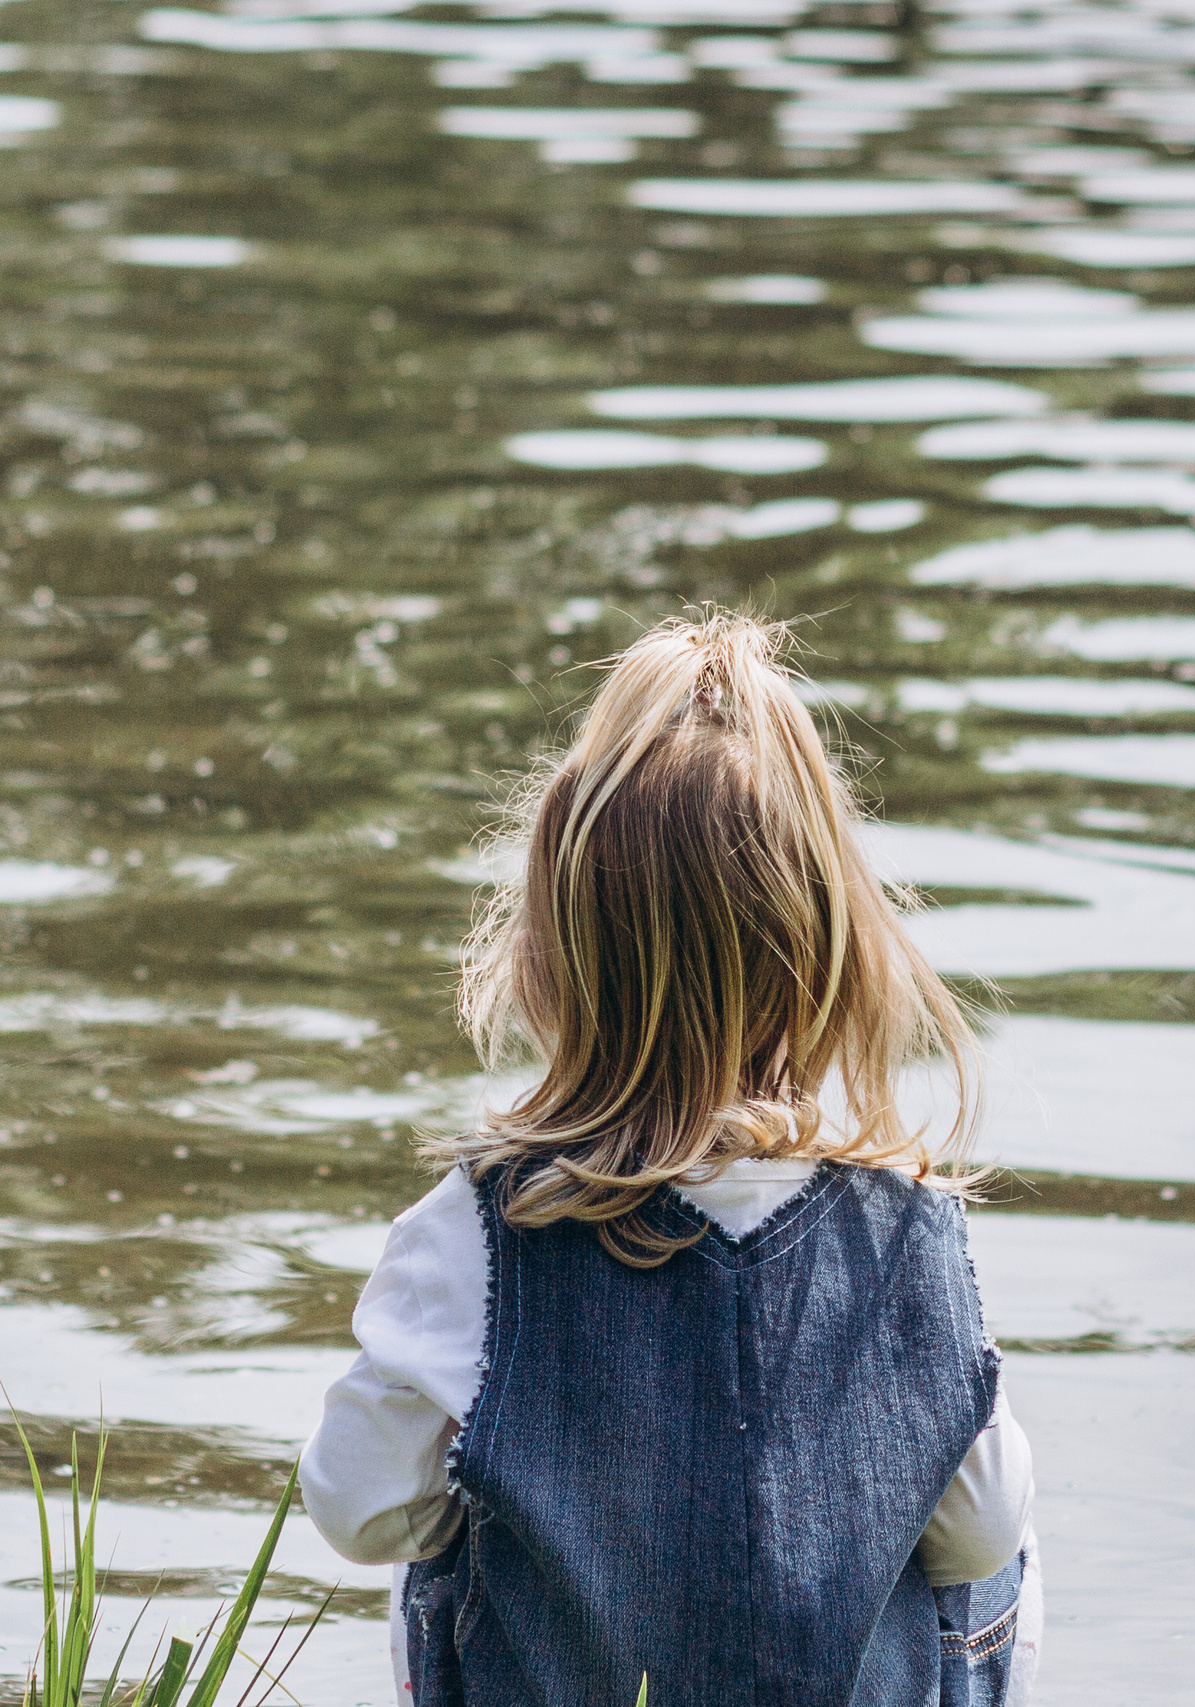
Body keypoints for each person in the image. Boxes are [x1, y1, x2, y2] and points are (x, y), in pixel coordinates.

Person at [302, 610, 1036, 1705]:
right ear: (824, 950)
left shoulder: (479, 1231)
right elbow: (979, 1538)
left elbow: (354, 1506)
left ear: (554, 950)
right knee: (988, 1551)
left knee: (446, 1524)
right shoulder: (908, 1232)